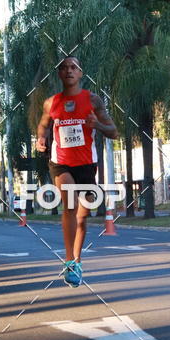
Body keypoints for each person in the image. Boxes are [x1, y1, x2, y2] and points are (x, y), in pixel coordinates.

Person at [36, 56, 118, 287]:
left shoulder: (93, 100)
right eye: (64, 68)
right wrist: (41, 138)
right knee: (69, 204)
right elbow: (43, 125)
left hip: (86, 165)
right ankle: (69, 261)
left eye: (73, 67)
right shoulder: (51, 103)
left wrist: (97, 125)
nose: (69, 71)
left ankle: (77, 261)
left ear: (80, 73)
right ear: (60, 74)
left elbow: (113, 131)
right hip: (60, 162)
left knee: (82, 219)